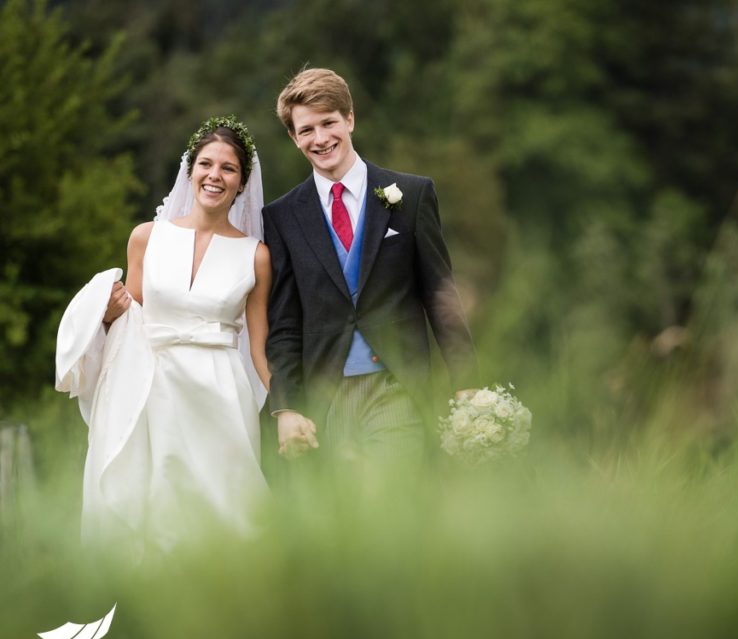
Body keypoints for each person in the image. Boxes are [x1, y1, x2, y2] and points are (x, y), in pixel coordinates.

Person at [57, 115, 271, 556]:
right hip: (147, 388)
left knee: (226, 514)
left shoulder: (256, 256)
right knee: (150, 510)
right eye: (206, 164)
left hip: (220, 395)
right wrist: (108, 313)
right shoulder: (146, 238)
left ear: (242, 181)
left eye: (228, 168)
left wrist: (288, 409)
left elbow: (259, 346)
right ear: (190, 169)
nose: (215, 176)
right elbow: (127, 315)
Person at [263, 67, 478, 465]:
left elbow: (440, 293)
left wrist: (466, 382)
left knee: (389, 491)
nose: (321, 138)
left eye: (329, 122)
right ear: (293, 138)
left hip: (396, 385)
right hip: (324, 396)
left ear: (350, 118)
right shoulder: (281, 217)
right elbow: (285, 323)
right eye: (307, 130)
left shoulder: (411, 195)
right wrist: (287, 407)